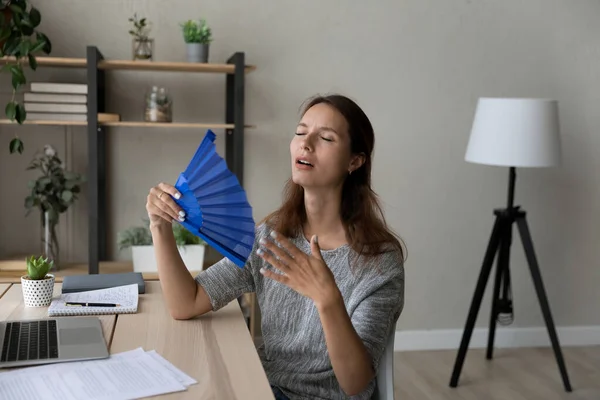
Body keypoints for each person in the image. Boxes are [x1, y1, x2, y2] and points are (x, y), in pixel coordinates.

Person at [146, 94, 405, 400]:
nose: (305, 143)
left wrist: (328, 300)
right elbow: (185, 304)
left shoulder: (378, 261)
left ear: (354, 161)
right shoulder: (272, 237)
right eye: (300, 132)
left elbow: (355, 383)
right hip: (265, 389)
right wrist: (160, 227)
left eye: (325, 137)